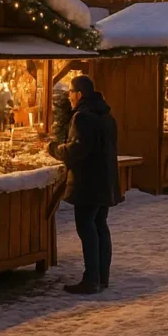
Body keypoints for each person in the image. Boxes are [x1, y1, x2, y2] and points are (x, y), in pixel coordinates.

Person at [49, 75, 120, 294]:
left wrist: (54, 148)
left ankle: (91, 280)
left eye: (70, 92)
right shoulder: (106, 116)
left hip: (88, 183)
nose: (69, 97)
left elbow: (77, 150)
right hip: (105, 180)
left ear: (79, 94)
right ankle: (102, 277)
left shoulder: (82, 117)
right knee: (100, 226)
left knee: (87, 228)